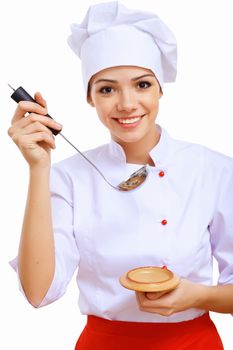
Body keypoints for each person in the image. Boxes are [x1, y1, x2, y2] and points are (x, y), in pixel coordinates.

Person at [8, 2, 233, 349]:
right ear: (90, 98)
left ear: (160, 89)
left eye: (142, 85)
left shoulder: (214, 170)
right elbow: (38, 294)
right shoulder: (69, 177)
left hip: (192, 341)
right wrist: (39, 168)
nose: (127, 104)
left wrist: (197, 296)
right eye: (107, 89)